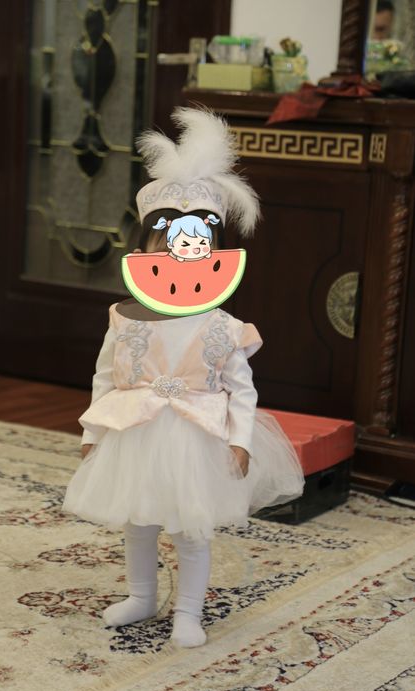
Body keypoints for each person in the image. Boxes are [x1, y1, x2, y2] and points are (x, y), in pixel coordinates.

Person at [62, 107, 305, 648]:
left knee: (190, 530)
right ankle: (142, 596)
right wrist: (91, 433)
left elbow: (242, 391)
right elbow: (104, 378)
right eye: (166, 244)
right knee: (138, 522)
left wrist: (241, 441)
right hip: (136, 435)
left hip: (197, 439)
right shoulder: (123, 318)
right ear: (142, 251)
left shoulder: (225, 327)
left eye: (196, 247)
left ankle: (189, 613)